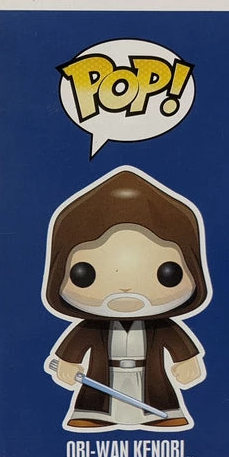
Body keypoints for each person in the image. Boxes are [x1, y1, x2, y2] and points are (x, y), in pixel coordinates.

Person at [43, 167, 211, 430]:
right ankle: (93, 415)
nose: (125, 287)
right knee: (96, 404)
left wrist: (187, 361)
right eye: (85, 273)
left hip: (149, 379)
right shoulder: (91, 328)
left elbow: (178, 344)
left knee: (158, 396)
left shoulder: (162, 327)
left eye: (167, 273)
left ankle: (161, 415)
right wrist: (67, 363)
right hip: (103, 379)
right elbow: (75, 347)